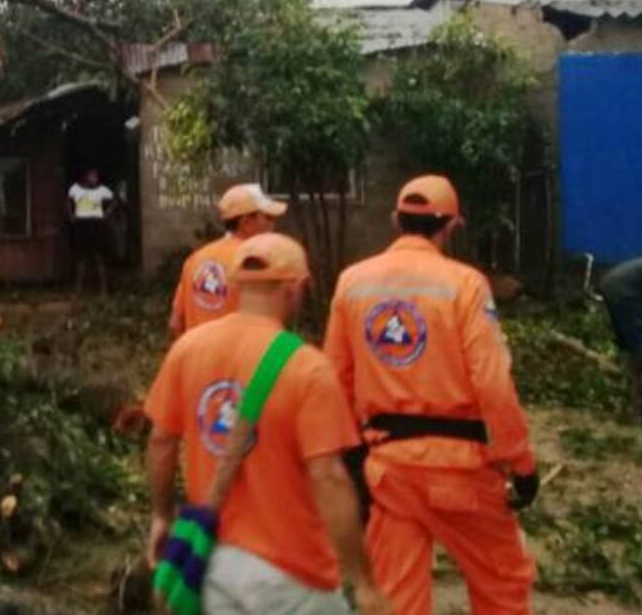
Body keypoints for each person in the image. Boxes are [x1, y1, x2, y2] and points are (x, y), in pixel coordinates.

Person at [323, 175, 538, 615]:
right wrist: (520, 460)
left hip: (391, 471)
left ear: (394, 221)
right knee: (503, 585)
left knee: (396, 597)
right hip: (464, 473)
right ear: (451, 226)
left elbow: (335, 380)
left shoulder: (352, 282)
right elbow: (492, 382)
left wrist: (349, 460)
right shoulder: (466, 284)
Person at [145, 233, 391, 615]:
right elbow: (328, 476)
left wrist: (161, 516)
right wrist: (362, 580)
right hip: (294, 573)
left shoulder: (188, 349)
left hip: (213, 564)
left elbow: (161, 441)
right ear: (294, 289)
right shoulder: (307, 368)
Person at [168, 183, 288, 338]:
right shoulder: (255, 264)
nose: (273, 225)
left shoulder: (196, 259)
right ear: (245, 223)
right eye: (268, 218)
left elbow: (176, 322)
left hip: (198, 358)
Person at [599, 255, 642, 433]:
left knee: (634, 348)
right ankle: (637, 408)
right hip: (624, 293)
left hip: (613, 286)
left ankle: (634, 405)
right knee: (640, 348)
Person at [68, 167, 116, 296]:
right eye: (92, 176)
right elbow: (68, 201)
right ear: (85, 177)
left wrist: (106, 214)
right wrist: (71, 215)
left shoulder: (102, 190)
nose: (94, 178)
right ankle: (78, 289)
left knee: (99, 257)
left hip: (97, 223)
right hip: (81, 224)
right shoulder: (75, 189)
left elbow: (114, 201)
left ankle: (103, 290)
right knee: (81, 257)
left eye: (96, 176)